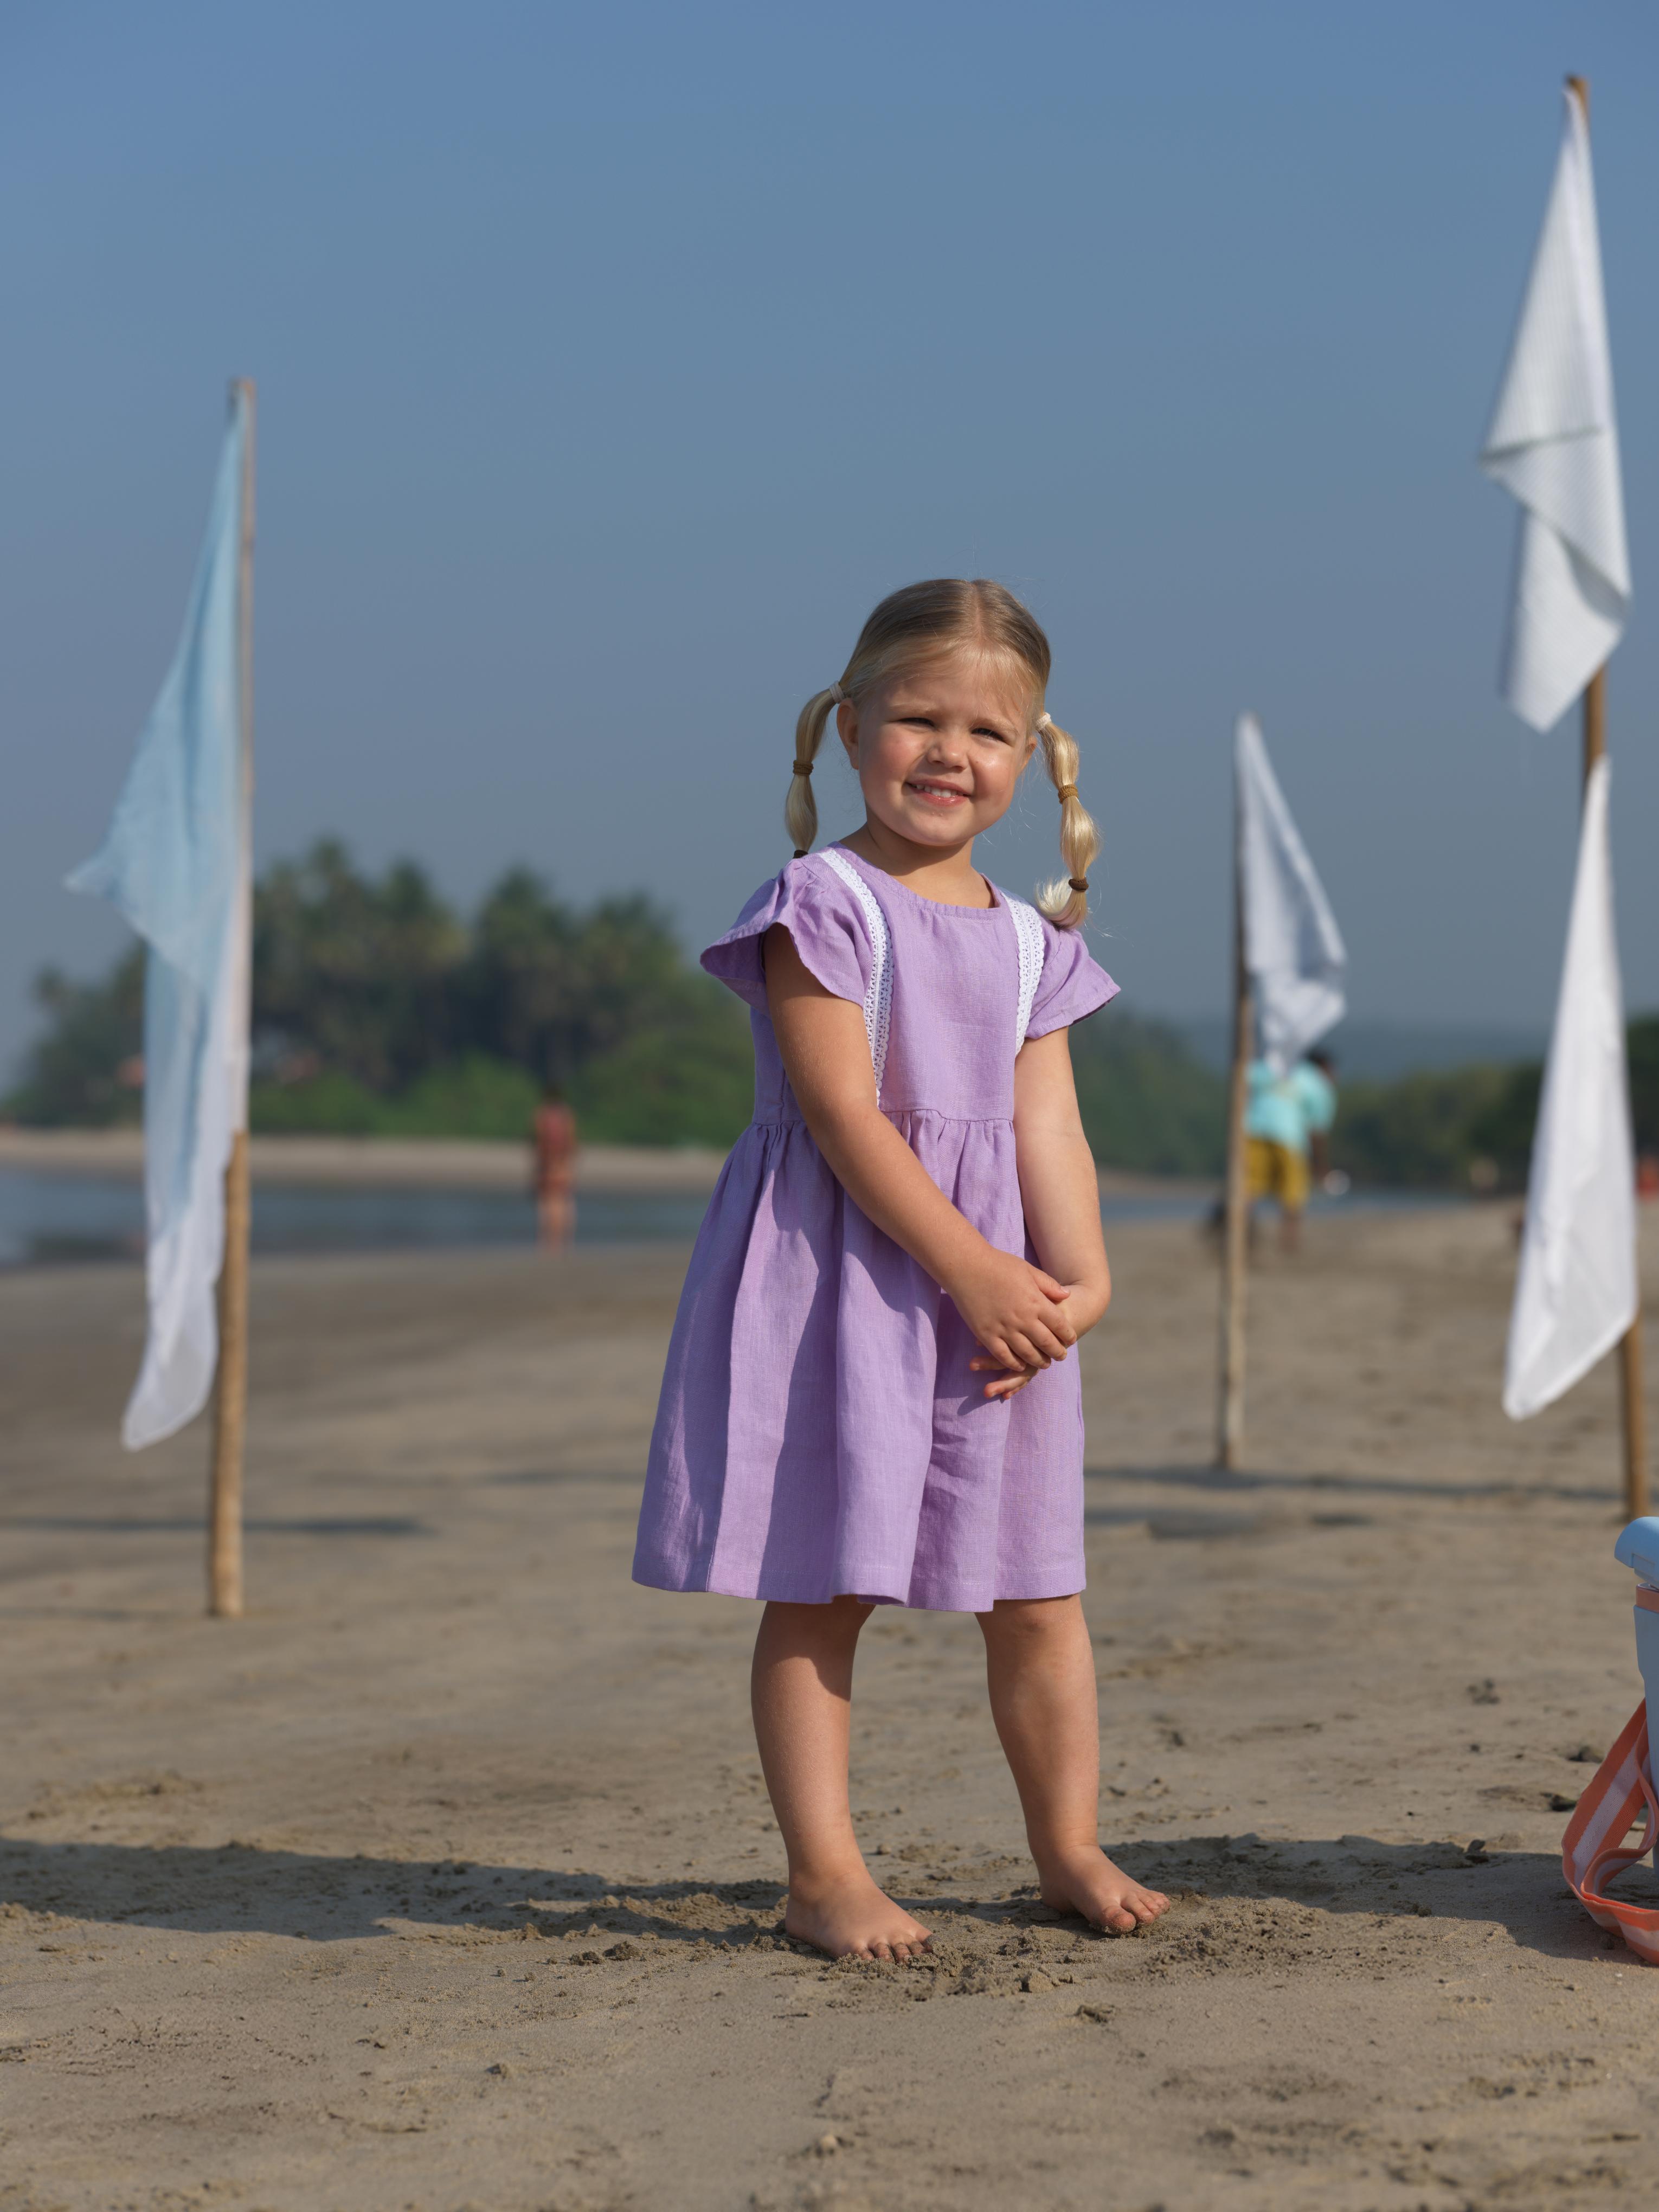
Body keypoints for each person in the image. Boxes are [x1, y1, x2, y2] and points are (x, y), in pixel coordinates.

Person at [633, 579, 1170, 1960]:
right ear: (850, 723)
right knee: (822, 1584)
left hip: (1000, 1302)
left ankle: (1065, 1842)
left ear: (1034, 754)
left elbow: (1048, 1122)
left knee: (1041, 1592)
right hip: (850, 1281)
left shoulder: (1030, 936)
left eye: (984, 730)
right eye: (917, 716)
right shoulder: (822, 904)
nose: (947, 750)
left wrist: (1077, 1280)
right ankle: (823, 1871)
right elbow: (842, 1117)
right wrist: (971, 1267)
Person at [1244, 1047, 1338, 1253]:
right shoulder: (1318, 1084)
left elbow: (1244, 1082)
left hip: (1252, 1131)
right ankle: (1289, 1244)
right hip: (1290, 1138)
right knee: (1293, 1195)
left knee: (1248, 1191)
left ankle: (1242, 1238)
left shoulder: (1269, 1069)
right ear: (1324, 1068)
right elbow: (1317, 1130)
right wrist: (1320, 1166)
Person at [532, 1085, 578, 1249]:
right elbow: (572, 1139)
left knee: (548, 1202)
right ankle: (565, 1238)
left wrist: (539, 1162)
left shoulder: (542, 1114)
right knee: (564, 1200)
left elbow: (538, 1138)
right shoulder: (566, 1115)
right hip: (563, 1161)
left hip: (548, 1161)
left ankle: (549, 1239)